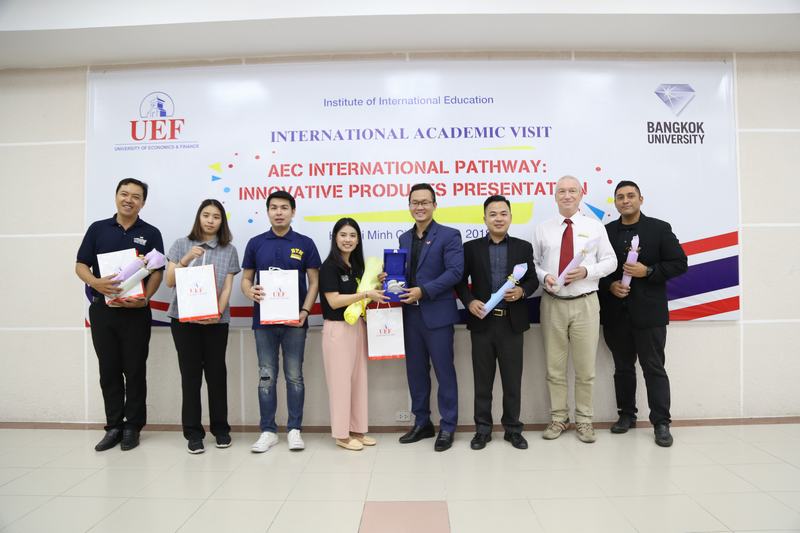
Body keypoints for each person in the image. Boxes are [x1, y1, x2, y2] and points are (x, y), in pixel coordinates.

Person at [75, 178, 164, 452]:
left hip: (136, 312)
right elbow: (80, 265)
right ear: (116, 196)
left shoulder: (151, 232)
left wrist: (145, 299)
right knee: (109, 369)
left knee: (135, 370)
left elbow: (157, 272)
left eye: (136, 196)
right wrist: (95, 282)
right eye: (124, 194)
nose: (129, 200)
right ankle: (113, 426)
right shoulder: (98, 229)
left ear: (143, 203)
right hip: (103, 311)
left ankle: (132, 427)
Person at [599, 181, 687, 447]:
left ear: (640, 199)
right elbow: (597, 270)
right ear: (615, 202)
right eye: (620, 197)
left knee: (653, 368)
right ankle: (626, 415)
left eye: (630, 196)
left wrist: (647, 271)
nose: (625, 200)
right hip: (615, 314)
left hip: (649, 314)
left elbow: (679, 263)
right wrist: (610, 285)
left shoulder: (659, 229)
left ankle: (661, 422)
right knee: (623, 368)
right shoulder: (606, 232)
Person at [532, 175, 616, 443]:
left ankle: (585, 421)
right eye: (561, 191)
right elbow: (534, 263)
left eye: (572, 191)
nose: (567, 195)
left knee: (585, 369)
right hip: (552, 304)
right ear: (555, 196)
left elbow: (611, 261)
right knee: (554, 368)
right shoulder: (542, 228)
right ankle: (559, 418)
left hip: (586, 303)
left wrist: (587, 271)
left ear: (581, 195)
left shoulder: (595, 227)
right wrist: (544, 276)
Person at [455, 196, 538, 450]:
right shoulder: (471, 248)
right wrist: (469, 301)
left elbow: (533, 280)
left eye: (503, 213)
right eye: (493, 214)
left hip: (512, 324)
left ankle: (513, 429)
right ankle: (482, 430)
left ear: (510, 217)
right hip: (482, 323)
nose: (498, 218)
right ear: (484, 219)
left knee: (512, 381)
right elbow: (460, 281)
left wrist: (522, 291)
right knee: (482, 382)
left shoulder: (523, 247)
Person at [241, 191, 320, 452]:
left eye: (284, 208)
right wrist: (249, 291)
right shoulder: (255, 243)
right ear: (268, 212)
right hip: (263, 322)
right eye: (273, 207)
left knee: (294, 377)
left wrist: (305, 311)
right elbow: (246, 279)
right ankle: (268, 431)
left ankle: (295, 429)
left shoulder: (305, 243)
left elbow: (314, 282)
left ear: (293, 211)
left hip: (295, 322)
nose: (279, 212)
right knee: (266, 376)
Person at [165, 199, 241, 454]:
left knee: (217, 375)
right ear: (199, 217)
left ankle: (221, 429)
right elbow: (169, 281)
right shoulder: (181, 244)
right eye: (206, 215)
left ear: (222, 221)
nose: (210, 220)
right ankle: (193, 433)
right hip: (183, 320)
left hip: (216, 322)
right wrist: (186, 258)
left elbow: (227, 287)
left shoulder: (229, 250)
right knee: (190, 376)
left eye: (216, 216)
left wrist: (216, 313)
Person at [396, 183, 464, 452]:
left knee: (444, 372)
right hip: (410, 315)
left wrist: (423, 291)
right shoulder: (404, 238)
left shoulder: (449, 235)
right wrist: (390, 278)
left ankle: (448, 426)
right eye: (415, 202)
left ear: (435, 205)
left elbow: (455, 272)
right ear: (409, 206)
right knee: (415, 373)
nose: (420, 207)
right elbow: (405, 274)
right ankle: (422, 422)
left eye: (425, 202)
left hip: (437, 315)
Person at [319, 218, 387, 451]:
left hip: (358, 327)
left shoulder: (357, 268)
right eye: (343, 235)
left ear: (358, 240)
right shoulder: (329, 267)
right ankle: (341, 434)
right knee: (340, 383)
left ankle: (357, 430)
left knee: (358, 380)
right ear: (335, 238)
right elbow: (334, 301)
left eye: (352, 235)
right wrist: (366, 294)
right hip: (337, 329)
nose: (348, 240)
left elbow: (367, 297)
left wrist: (378, 286)